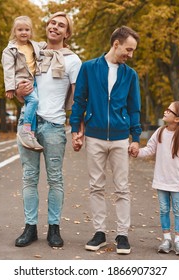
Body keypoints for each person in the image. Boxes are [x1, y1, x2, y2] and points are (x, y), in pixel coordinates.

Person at [70, 26, 142, 255]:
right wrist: (75, 129)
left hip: (121, 138)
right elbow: (79, 100)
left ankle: (122, 235)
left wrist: (136, 137)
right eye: (128, 50)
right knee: (96, 186)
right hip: (95, 136)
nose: (130, 55)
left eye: (132, 51)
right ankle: (99, 232)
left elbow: (134, 108)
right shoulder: (89, 68)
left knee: (122, 188)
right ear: (116, 44)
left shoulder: (130, 75)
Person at [13, 12, 82, 248]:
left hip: (54, 126)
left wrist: (77, 127)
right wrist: (19, 92)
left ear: (67, 33)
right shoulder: (32, 52)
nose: (55, 27)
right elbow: (20, 84)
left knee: (55, 179)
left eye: (61, 25)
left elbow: (77, 97)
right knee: (29, 178)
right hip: (28, 123)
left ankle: (54, 228)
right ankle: (30, 228)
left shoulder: (73, 61)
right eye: (52, 23)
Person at [131, 101, 179, 256]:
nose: (165, 111)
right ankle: (166, 239)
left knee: (178, 210)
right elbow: (150, 149)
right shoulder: (160, 132)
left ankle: (178, 241)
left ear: (177, 119)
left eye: (169, 110)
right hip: (162, 180)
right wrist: (137, 152)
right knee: (164, 210)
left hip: (177, 182)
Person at [2, 16, 46, 150]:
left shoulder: (33, 45)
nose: (23, 32)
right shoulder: (10, 50)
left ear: (31, 32)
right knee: (34, 101)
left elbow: (44, 47)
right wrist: (10, 88)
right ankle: (25, 129)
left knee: (32, 105)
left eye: (27, 29)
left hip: (34, 80)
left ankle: (31, 135)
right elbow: (8, 69)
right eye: (20, 29)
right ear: (14, 32)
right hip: (21, 80)